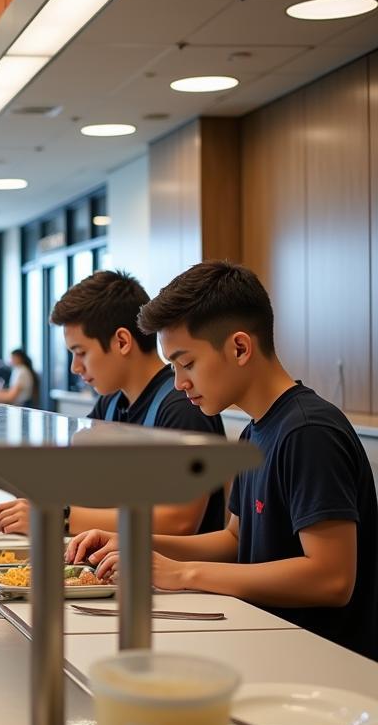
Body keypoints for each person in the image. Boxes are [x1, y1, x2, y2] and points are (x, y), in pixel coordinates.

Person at [69, 261, 378, 661]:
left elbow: (331, 578)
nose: (180, 383)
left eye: (187, 363)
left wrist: (183, 574)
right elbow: (235, 540)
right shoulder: (256, 431)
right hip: (264, 640)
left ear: (239, 347)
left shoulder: (307, 432)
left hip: (322, 662)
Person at [0, 270, 226, 538]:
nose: (75, 367)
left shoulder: (181, 406)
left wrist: (61, 517)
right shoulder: (110, 403)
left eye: (81, 353)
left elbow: (178, 521)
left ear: (122, 342)